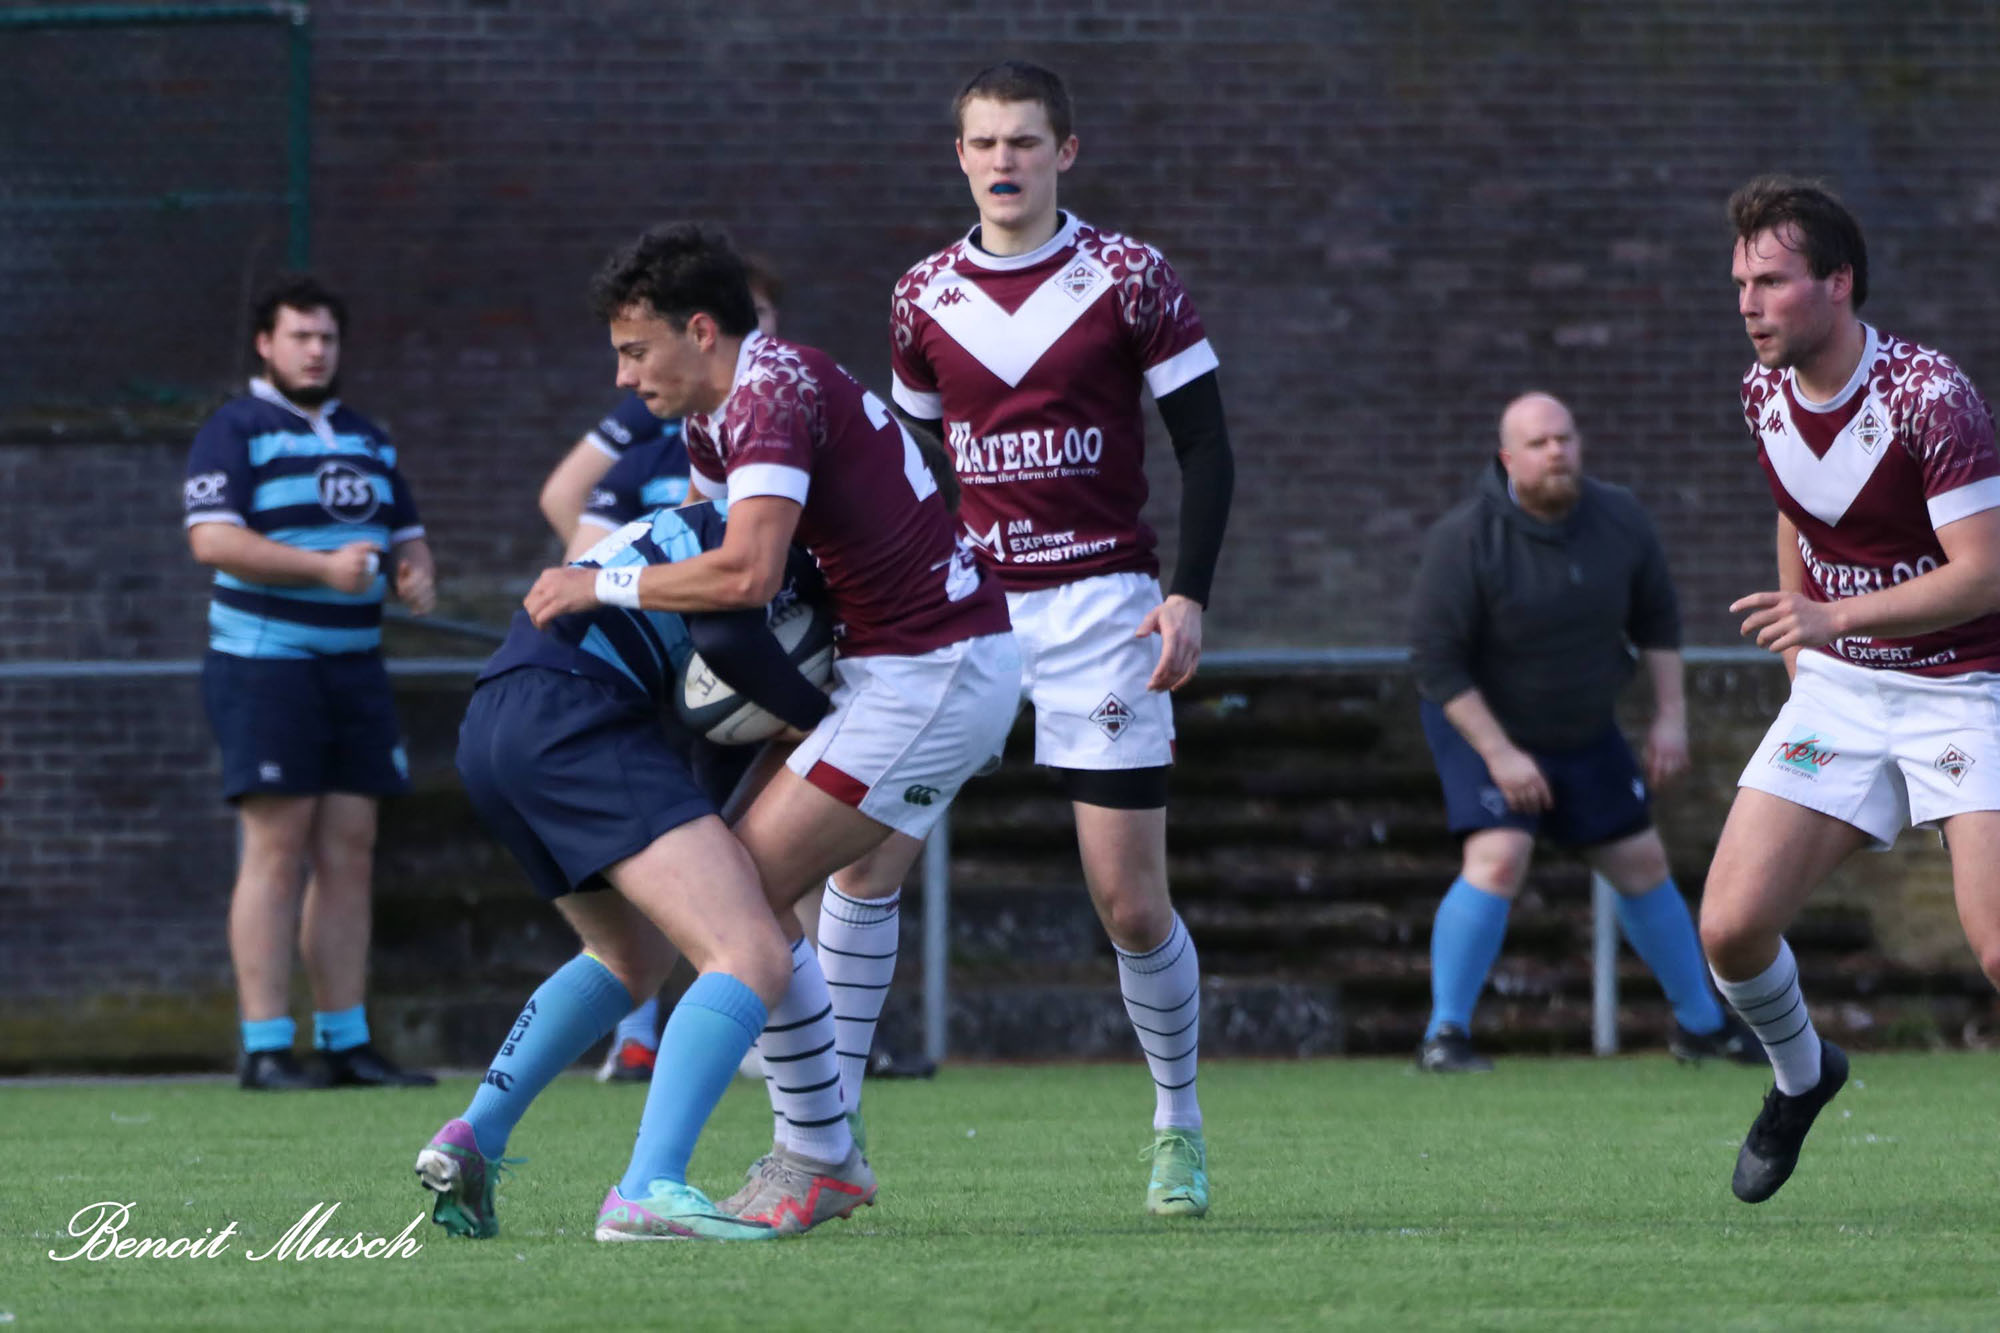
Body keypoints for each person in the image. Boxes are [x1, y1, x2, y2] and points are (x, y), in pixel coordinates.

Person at [522, 222, 1020, 1234]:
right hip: (891, 669)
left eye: (636, 349)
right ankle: (820, 1152)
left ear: (701, 331)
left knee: (738, 898)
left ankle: (817, 1154)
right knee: (742, 897)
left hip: (933, 669)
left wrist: (595, 584)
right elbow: (723, 573)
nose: (623, 376)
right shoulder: (722, 416)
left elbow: (747, 573)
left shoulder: (770, 393)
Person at [809, 59, 1234, 1219]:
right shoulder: (919, 296)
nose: (1004, 161)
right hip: (964, 611)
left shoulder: (1129, 276)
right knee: (861, 864)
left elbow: (1204, 445)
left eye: (1025, 142)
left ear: (1064, 152)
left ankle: (1178, 1124)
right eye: (985, 143)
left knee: (1128, 903)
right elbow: (906, 472)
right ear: (960, 156)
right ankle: (824, 1131)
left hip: (1104, 610)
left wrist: (1188, 593)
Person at [417, 501, 834, 1242]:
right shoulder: (781, 539)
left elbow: (710, 720)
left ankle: (475, 1133)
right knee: (750, 952)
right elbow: (728, 638)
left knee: (629, 956)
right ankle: (647, 1188)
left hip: (495, 717)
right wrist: (813, 712)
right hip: (575, 713)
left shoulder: (717, 516)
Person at [1703, 176, 2000, 1204]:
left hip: (1965, 688)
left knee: (1997, 946)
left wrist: (1833, 618)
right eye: (1740, 283)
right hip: (1840, 689)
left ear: (1837, 283)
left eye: (1771, 281)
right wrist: (1807, 660)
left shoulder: (1929, 395)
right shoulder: (1762, 390)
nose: (1748, 304)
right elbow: (1799, 508)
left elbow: (1983, 573)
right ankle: (1802, 1075)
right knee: (1730, 930)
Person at [1408, 393, 1762, 1073]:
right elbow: (1435, 663)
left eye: (1565, 438)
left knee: (1641, 862)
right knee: (1500, 854)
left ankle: (1702, 1027)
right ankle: (1444, 1036)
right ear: (1508, 458)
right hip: (1483, 722)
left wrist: (1670, 718)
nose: (1556, 453)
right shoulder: (1465, 538)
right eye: (1538, 444)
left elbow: (1657, 622)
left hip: (1582, 722)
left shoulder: (1620, 518)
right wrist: (1501, 755)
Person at [182, 276, 438, 1090]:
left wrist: (415, 572)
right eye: (300, 336)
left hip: (355, 665)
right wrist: (323, 568)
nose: (316, 350)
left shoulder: (368, 437)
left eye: (326, 337)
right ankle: (265, 1045)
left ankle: (345, 1041)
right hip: (266, 663)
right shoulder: (234, 428)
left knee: (350, 849)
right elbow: (213, 541)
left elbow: (407, 536)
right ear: (266, 343)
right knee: (278, 846)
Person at [539, 260, 784, 548]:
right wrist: (618, 564)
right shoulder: (652, 431)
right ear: (702, 328)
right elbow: (563, 495)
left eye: (758, 312)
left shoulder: (797, 399)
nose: (749, 327)